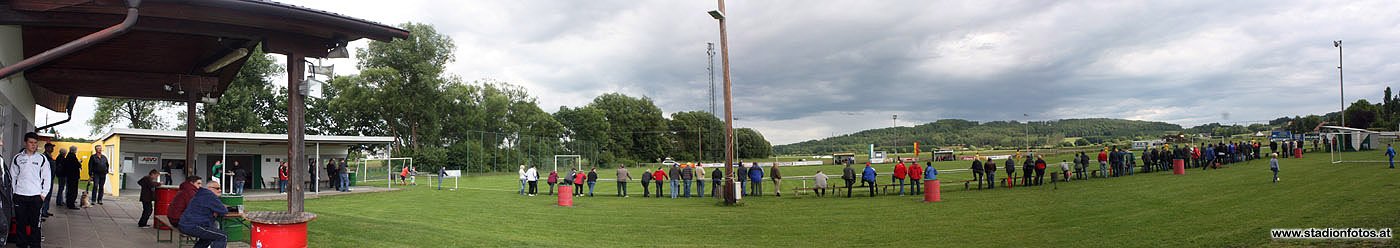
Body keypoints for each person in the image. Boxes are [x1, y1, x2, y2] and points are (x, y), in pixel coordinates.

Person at [11, 133, 50, 248]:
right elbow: (12, 176)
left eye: (35, 143)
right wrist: (14, 192)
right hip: (20, 196)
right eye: (31, 142)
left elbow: (47, 177)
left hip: (35, 197)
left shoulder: (41, 159)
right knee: (20, 224)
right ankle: (21, 245)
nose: (33, 145)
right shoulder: (18, 158)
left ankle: (35, 245)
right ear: (25, 143)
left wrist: (43, 194)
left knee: (35, 225)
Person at [179, 181, 229, 248]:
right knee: (222, 236)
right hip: (194, 226)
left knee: (209, 236)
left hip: (185, 224)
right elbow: (224, 211)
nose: (220, 190)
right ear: (209, 188)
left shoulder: (201, 194)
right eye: (217, 188)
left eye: (220, 188)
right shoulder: (210, 195)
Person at [41, 143, 54, 219]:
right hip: (45, 179)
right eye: (51, 147)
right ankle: (42, 211)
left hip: (51, 178)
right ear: (46, 148)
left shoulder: (50, 156)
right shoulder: (44, 156)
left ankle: (46, 210)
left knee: (49, 195)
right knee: (45, 195)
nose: (52, 149)